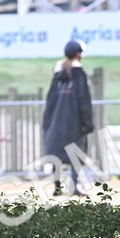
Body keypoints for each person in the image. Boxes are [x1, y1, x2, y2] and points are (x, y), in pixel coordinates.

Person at [42, 39, 94, 197]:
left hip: (55, 122)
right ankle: (74, 186)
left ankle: (57, 187)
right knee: (75, 155)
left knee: (56, 155)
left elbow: (50, 99)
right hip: (74, 122)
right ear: (79, 54)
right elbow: (83, 99)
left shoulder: (58, 75)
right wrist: (88, 122)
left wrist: (47, 121)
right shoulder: (79, 74)